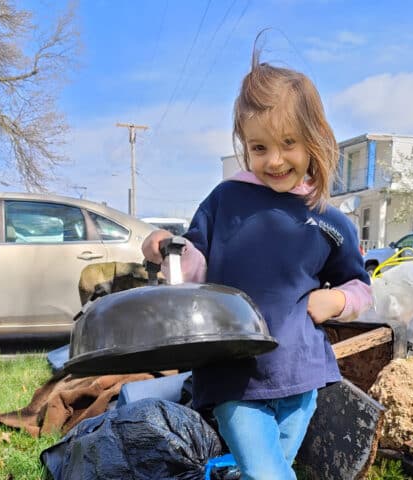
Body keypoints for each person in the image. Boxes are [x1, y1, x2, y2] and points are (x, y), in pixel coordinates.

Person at [141, 46, 373, 479]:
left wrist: (336, 302)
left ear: (314, 140)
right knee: (268, 474)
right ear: (244, 146)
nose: (275, 159)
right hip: (234, 376)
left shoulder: (328, 220)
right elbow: (194, 270)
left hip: (301, 374)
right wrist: (166, 247)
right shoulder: (225, 200)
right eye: (259, 146)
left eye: (289, 143)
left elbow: (360, 285)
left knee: (272, 468)